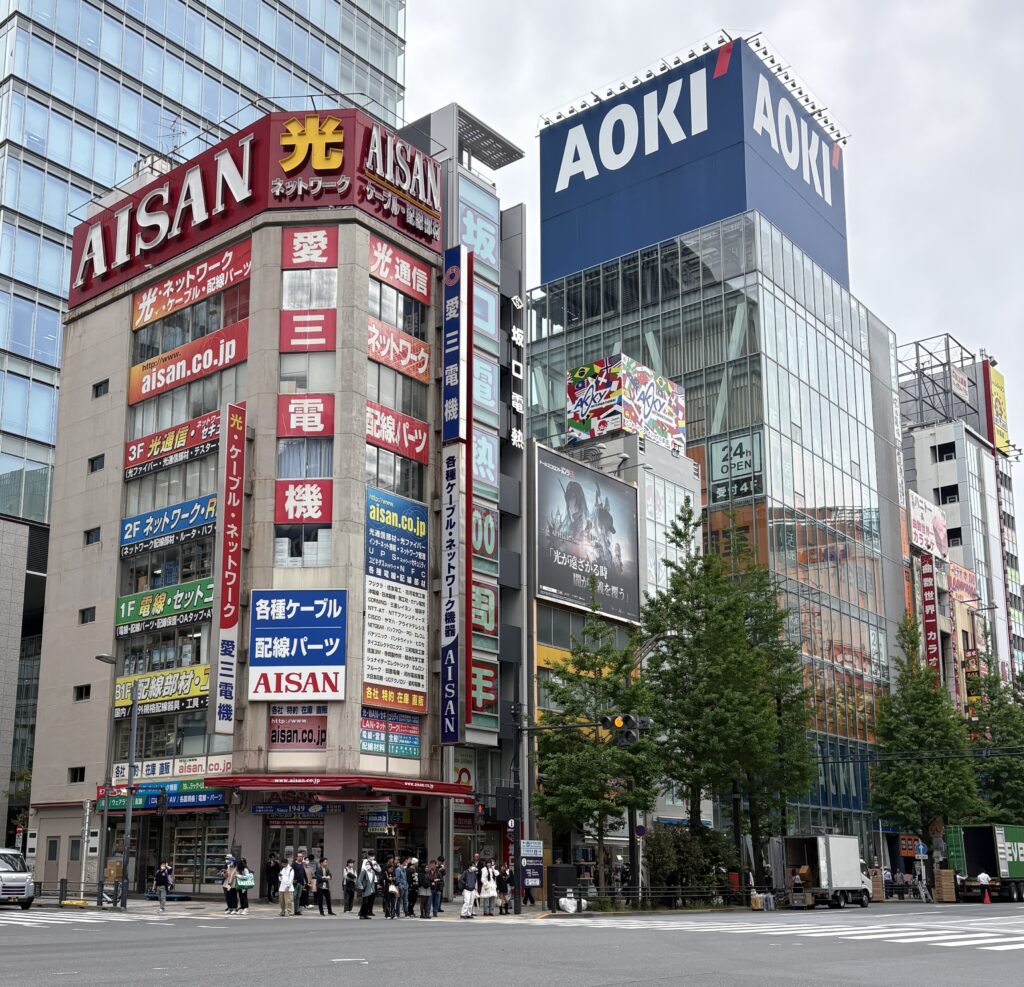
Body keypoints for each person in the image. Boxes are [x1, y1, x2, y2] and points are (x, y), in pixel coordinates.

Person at [358, 851, 381, 918]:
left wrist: (375, 865)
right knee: (365, 900)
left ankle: (367, 913)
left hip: (372, 884)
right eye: (371, 855)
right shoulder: (365, 861)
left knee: (370, 900)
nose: (372, 857)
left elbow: (379, 870)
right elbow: (363, 870)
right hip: (366, 884)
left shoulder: (374, 866)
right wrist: (361, 886)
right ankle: (362, 913)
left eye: (373, 855)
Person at [292, 850, 309, 915]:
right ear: (296, 857)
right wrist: (293, 880)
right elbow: (291, 872)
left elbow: (303, 873)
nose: (301, 858)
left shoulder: (302, 864)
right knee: (294, 896)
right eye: (299, 856)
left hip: (301, 883)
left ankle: (297, 910)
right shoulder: (294, 864)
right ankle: (293, 910)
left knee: (298, 897)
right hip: (296, 883)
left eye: (301, 857)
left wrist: (306, 881)